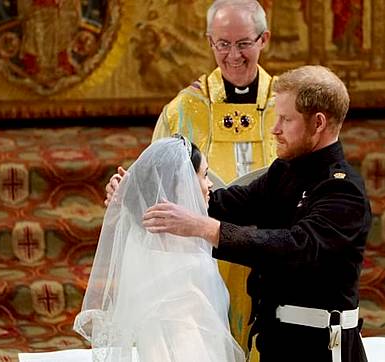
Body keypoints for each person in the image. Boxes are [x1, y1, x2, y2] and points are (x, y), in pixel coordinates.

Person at [143, 65, 371, 362]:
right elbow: (227, 203)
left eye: (286, 119)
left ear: (318, 123)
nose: (274, 128)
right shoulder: (286, 172)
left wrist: (205, 228)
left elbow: (294, 247)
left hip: (320, 348)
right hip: (276, 340)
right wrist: (140, 195)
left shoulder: (343, 191)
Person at [105, 1, 276, 357]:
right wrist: (126, 193)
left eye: (243, 43)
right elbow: (155, 182)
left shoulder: (287, 105)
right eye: (222, 44)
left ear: (264, 40)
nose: (232, 55)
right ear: (209, 42)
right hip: (201, 258)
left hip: (271, 253)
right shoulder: (184, 108)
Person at [75, 135, 245, 362]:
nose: (210, 184)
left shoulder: (148, 243)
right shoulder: (186, 258)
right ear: (182, 184)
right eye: (204, 175)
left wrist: (137, 194)